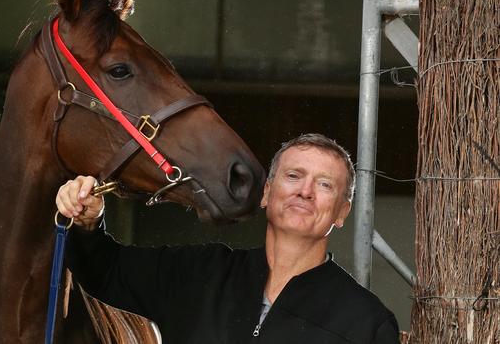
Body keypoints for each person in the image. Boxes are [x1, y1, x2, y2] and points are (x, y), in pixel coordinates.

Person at [57, 133, 400, 343]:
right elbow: (106, 271)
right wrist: (89, 221)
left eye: (325, 184)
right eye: (293, 176)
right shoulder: (201, 275)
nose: (305, 192)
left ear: (342, 212)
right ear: (266, 193)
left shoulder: (366, 323)